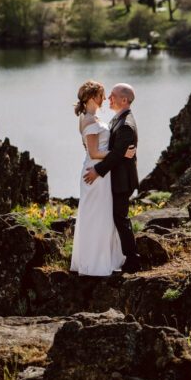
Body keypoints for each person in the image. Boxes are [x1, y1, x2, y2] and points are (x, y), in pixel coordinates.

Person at [70, 80, 135, 276]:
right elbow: (94, 152)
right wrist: (120, 153)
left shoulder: (90, 117)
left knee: (102, 217)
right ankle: (93, 263)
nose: (105, 98)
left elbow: (94, 148)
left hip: (100, 173)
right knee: (95, 217)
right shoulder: (89, 120)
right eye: (101, 95)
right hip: (95, 173)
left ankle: (103, 258)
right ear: (92, 97)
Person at [83, 82, 142, 273]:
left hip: (122, 181)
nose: (109, 98)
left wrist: (96, 171)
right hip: (116, 178)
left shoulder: (126, 125)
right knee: (116, 217)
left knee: (120, 218)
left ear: (124, 100)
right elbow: (113, 150)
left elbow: (117, 154)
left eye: (113, 96)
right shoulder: (118, 119)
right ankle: (113, 255)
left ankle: (133, 259)